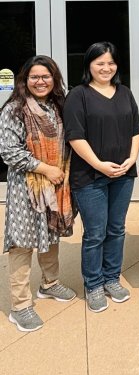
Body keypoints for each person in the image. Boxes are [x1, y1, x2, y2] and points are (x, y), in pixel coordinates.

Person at [63, 42, 139, 313]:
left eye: (110, 63)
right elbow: (75, 136)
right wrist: (99, 164)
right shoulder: (78, 95)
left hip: (123, 174)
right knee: (95, 233)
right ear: (89, 65)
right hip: (90, 176)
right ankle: (94, 284)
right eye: (100, 63)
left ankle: (111, 278)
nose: (105, 68)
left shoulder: (124, 93)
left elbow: (136, 128)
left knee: (116, 229)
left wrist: (132, 158)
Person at [0, 56, 75, 332]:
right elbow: (9, 151)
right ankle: (20, 306)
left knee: (51, 232)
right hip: (26, 186)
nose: (40, 81)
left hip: (55, 184)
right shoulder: (15, 109)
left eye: (46, 76)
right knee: (22, 242)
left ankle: (50, 283)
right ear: (25, 80)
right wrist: (45, 169)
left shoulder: (59, 106)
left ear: (54, 80)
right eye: (34, 77)